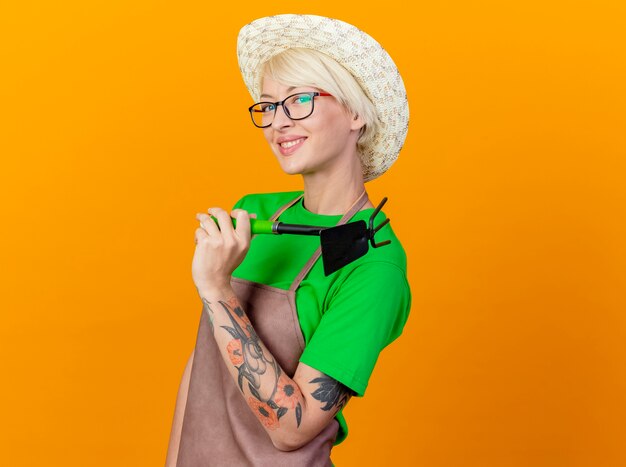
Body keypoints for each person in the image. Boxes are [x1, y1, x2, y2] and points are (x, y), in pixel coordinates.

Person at [166, 14, 411, 466]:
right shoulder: (253, 215)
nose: (279, 122)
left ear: (357, 112)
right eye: (269, 106)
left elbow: (292, 428)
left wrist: (217, 289)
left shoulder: (375, 267)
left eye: (299, 99)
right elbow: (203, 368)